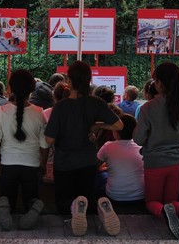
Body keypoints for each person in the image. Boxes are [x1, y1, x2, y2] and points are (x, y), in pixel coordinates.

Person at [45, 61, 123, 236]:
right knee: (86, 196)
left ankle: (74, 207)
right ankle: (101, 206)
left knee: (63, 202)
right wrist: (97, 125)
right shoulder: (96, 102)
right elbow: (119, 125)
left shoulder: (60, 107)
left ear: (69, 81)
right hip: (87, 161)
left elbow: (49, 139)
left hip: (64, 163)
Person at [133, 61, 179, 240]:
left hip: (155, 163)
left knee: (152, 202)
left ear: (160, 83)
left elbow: (138, 139)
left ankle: (163, 213)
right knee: (171, 200)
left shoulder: (148, 108)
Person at [0, 69, 49, 231]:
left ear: (10, 88)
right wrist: (42, 163)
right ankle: (34, 204)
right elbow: (44, 144)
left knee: (8, 195)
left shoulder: (1, 112)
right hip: (32, 164)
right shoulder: (39, 113)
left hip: (8, 164)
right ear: (32, 89)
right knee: (31, 196)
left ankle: (5, 203)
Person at [96, 113, 145, 203]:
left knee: (100, 175)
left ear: (115, 130)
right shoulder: (140, 146)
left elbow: (95, 166)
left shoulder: (108, 146)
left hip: (114, 197)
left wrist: (104, 168)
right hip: (140, 196)